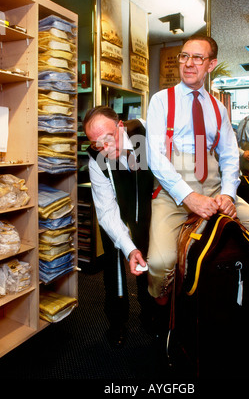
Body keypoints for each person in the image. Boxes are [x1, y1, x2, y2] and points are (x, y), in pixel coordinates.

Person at [146, 36, 249, 313]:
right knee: (160, 264)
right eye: (184, 56)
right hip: (172, 191)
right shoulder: (161, 100)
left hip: (214, 188)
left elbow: (231, 156)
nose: (188, 63)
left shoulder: (218, 108)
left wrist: (228, 195)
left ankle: (221, 289)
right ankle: (162, 306)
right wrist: (189, 197)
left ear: (211, 64)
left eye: (198, 58)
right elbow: (154, 156)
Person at [83, 106, 153, 346]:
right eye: (96, 143)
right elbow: (106, 211)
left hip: (144, 205)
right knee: (114, 263)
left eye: (107, 139)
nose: (103, 148)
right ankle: (117, 321)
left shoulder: (145, 135)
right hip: (114, 206)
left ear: (120, 127)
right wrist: (127, 246)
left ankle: (149, 310)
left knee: (148, 254)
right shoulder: (95, 159)